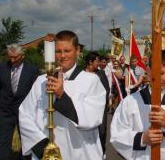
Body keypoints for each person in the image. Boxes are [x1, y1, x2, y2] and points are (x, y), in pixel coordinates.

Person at [19, 30, 106, 159]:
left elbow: (92, 119)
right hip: (47, 153)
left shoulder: (91, 81)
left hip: (80, 152)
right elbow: (25, 114)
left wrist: (61, 95)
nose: (62, 56)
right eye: (58, 51)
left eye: (67, 51)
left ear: (77, 51)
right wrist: (41, 147)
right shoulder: (41, 81)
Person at [110, 50, 165, 159]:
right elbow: (117, 134)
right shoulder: (130, 102)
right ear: (148, 71)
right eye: (160, 73)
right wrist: (142, 138)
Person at [0, 44, 39, 160]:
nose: (12, 60)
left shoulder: (32, 70)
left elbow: (36, 93)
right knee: (3, 142)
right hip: (5, 112)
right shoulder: (2, 67)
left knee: (27, 141)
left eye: (15, 57)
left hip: (25, 112)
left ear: (22, 56)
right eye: (10, 57)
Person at [85, 52, 111, 159]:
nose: (99, 63)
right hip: (86, 109)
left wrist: (101, 103)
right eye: (97, 61)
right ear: (91, 62)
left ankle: (102, 151)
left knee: (102, 131)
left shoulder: (101, 73)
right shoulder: (81, 74)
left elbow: (107, 89)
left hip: (100, 108)